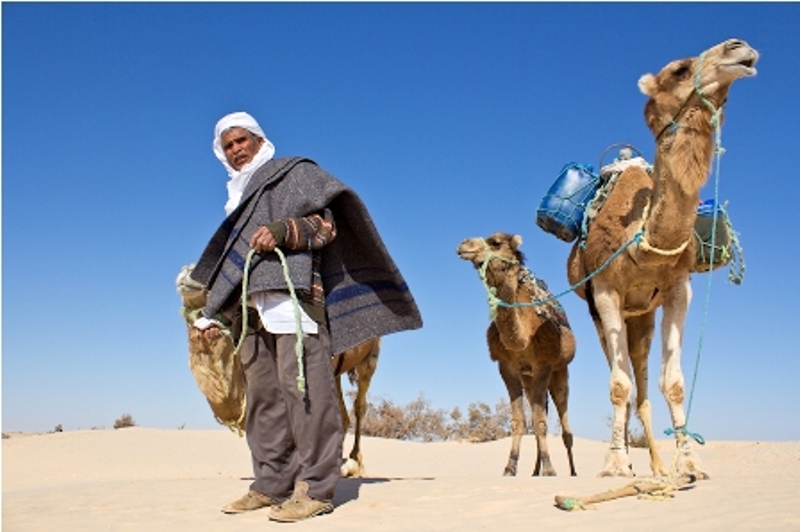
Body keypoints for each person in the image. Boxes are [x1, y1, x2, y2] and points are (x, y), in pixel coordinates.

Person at [189, 111, 422, 522]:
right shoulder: (235, 196)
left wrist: (284, 231)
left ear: (259, 140)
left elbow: (326, 227)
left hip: (295, 301)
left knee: (306, 393)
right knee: (262, 400)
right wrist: (213, 312)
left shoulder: (294, 173)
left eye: (242, 140)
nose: (237, 149)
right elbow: (233, 261)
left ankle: (316, 488)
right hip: (250, 310)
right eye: (228, 145)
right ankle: (270, 484)